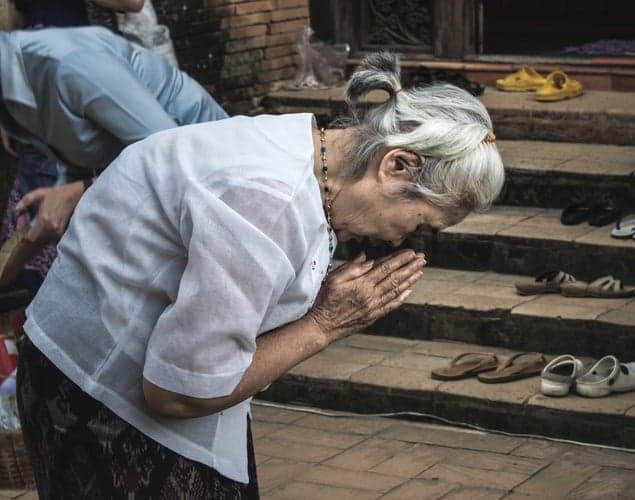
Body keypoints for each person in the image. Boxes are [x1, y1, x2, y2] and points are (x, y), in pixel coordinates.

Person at [16, 51, 505, 498]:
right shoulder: (270, 200)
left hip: (85, 355)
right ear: (397, 165)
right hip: (100, 394)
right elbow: (179, 393)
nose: (402, 240)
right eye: (420, 223)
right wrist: (324, 324)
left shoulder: (305, 146)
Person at [0, 25, 227, 249]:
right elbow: (80, 157)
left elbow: (169, 154)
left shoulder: (71, 65)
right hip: (158, 189)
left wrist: (78, 192)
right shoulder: (13, 97)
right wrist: (49, 212)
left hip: (211, 172)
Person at [0, 1, 147, 291]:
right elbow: (14, 15)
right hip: (36, 84)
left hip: (92, 76)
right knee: (37, 205)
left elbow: (133, 2)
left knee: (108, 199)